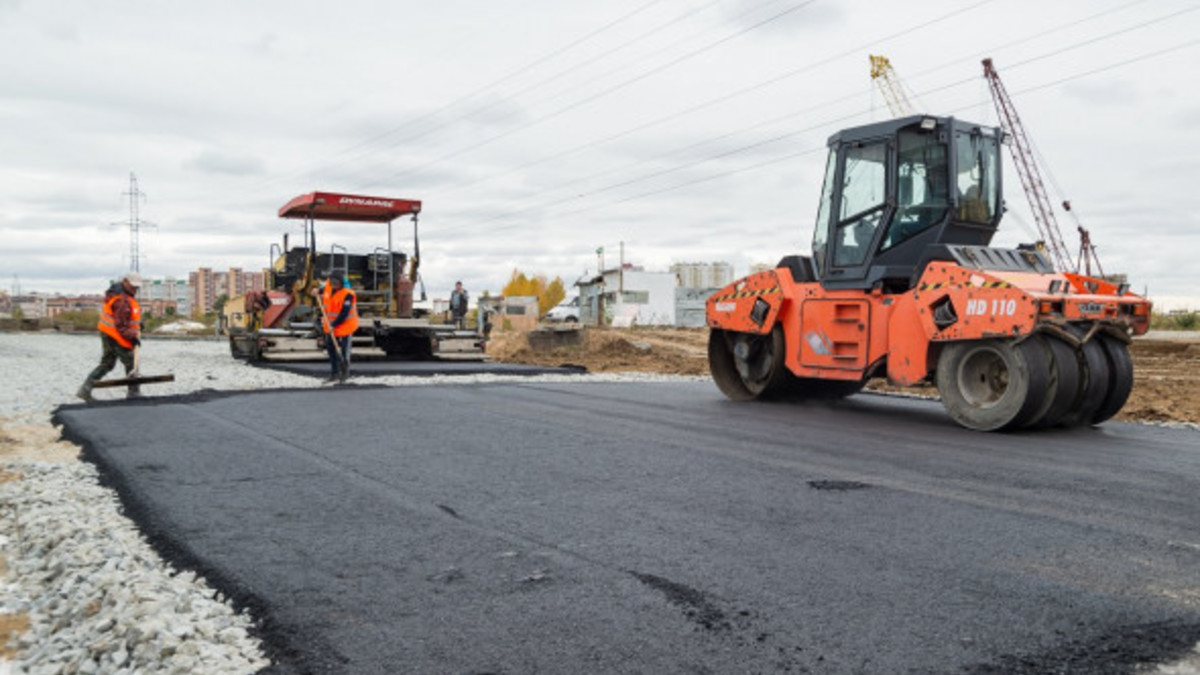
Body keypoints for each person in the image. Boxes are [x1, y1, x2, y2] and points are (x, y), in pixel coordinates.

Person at [77, 273, 143, 402]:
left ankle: (85, 390)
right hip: (115, 335)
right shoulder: (121, 300)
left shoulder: (121, 295)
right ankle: (134, 394)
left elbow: (126, 318)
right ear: (125, 282)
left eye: (137, 287)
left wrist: (138, 324)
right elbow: (121, 325)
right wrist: (132, 338)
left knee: (107, 363)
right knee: (131, 361)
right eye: (133, 286)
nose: (135, 289)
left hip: (108, 334)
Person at [319, 273, 359, 383]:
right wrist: (316, 291)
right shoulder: (328, 287)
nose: (334, 286)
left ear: (341, 282)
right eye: (332, 284)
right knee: (331, 350)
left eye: (336, 284)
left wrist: (333, 325)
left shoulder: (348, 294)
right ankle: (334, 373)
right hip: (331, 325)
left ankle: (345, 374)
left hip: (346, 325)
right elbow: (322, 290)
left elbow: (344, 313)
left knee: (344, 350)